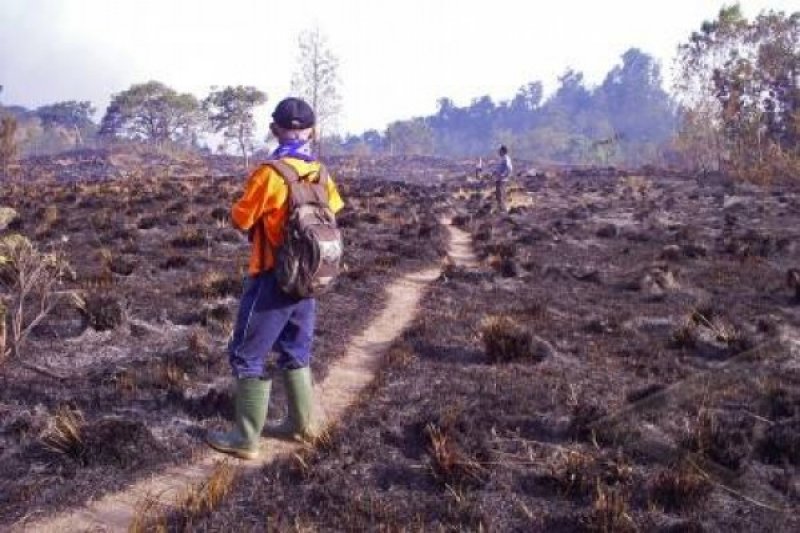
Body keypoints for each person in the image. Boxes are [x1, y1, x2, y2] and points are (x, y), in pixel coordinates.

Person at [206, 97, 345, 460]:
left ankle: (245, 437)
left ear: (274, 129)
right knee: (296, 351)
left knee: (246, 355)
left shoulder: (269, 174)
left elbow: (241, 219)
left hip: (271, 279)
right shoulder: (321, 173)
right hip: (309, 280)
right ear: (312, 131)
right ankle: (302, 425)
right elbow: (333, 214)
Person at [493, 145, 513, 212]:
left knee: (501, 195)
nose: (498, 152)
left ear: (503, 151)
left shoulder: (506, 158)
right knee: (498, 195)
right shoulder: (502, 158)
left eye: (500, 150)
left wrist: (503, 175)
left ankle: (503, 210)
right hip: (499, 179)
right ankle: (500, 209)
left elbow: (509, 168)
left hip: (502, 180)